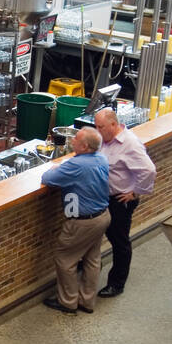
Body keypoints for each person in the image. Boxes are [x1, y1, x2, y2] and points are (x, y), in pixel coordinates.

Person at [39, 127, 110, 314]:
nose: (71, 141)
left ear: (85, 146)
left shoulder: (77, 165)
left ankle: (68, 302)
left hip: (82, 223)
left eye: (76, 139)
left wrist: (58, 168)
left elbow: (47, 178)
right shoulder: (101, 158)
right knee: (92, 259)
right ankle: (87, 301)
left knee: (65, 259)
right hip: (102, 216)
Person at [93, 108, 155, 298]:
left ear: (114, 124)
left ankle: (117, 283)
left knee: (119, 241)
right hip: (103, 197)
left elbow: (149, 170)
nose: (97, 130)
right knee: (94, 235)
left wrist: (135, 192)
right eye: (96, 126)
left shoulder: (130, 144)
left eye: (100, 126)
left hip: (119, 201)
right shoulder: (105, 139)